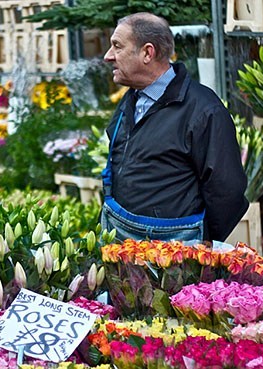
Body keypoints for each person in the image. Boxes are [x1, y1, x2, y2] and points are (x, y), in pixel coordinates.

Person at [101, 13, 248, 242]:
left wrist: (201, 240)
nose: (108, 56)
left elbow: (227, 190)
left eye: (117, 46)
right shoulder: (130, 101)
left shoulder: (203, 111)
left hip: (175, 254)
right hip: (124, 244)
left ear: (147, 53)